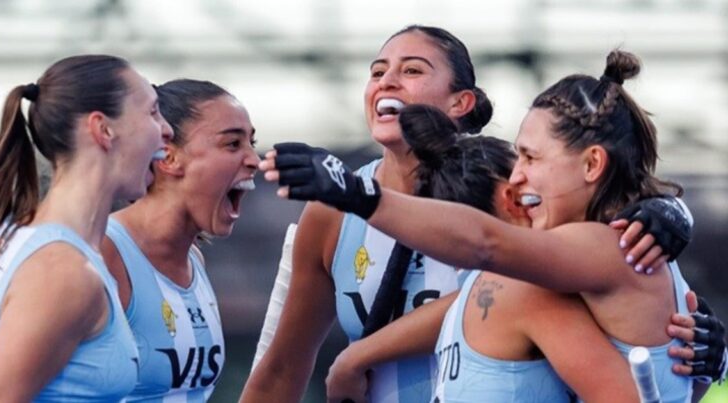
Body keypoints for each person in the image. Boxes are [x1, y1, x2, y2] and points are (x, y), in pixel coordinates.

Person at [242, 26, 684, 403]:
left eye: (412, 70)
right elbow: (281, 366)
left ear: (462, 102)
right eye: (377, 72)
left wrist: (672, 211)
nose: (519, 180)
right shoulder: (332, 215)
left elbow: (489, 246)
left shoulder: (524, 209)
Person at [0, 55, 170, 401]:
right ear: (103, 129)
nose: (167, 129)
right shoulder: (64, 274)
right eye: (152, 112)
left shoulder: (13, 240)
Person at [100, 78, 259, 401]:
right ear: (169, 157)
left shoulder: (193, 259)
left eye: (252, 143)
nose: (254, 159)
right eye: (232, 144)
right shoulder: (103, 253)